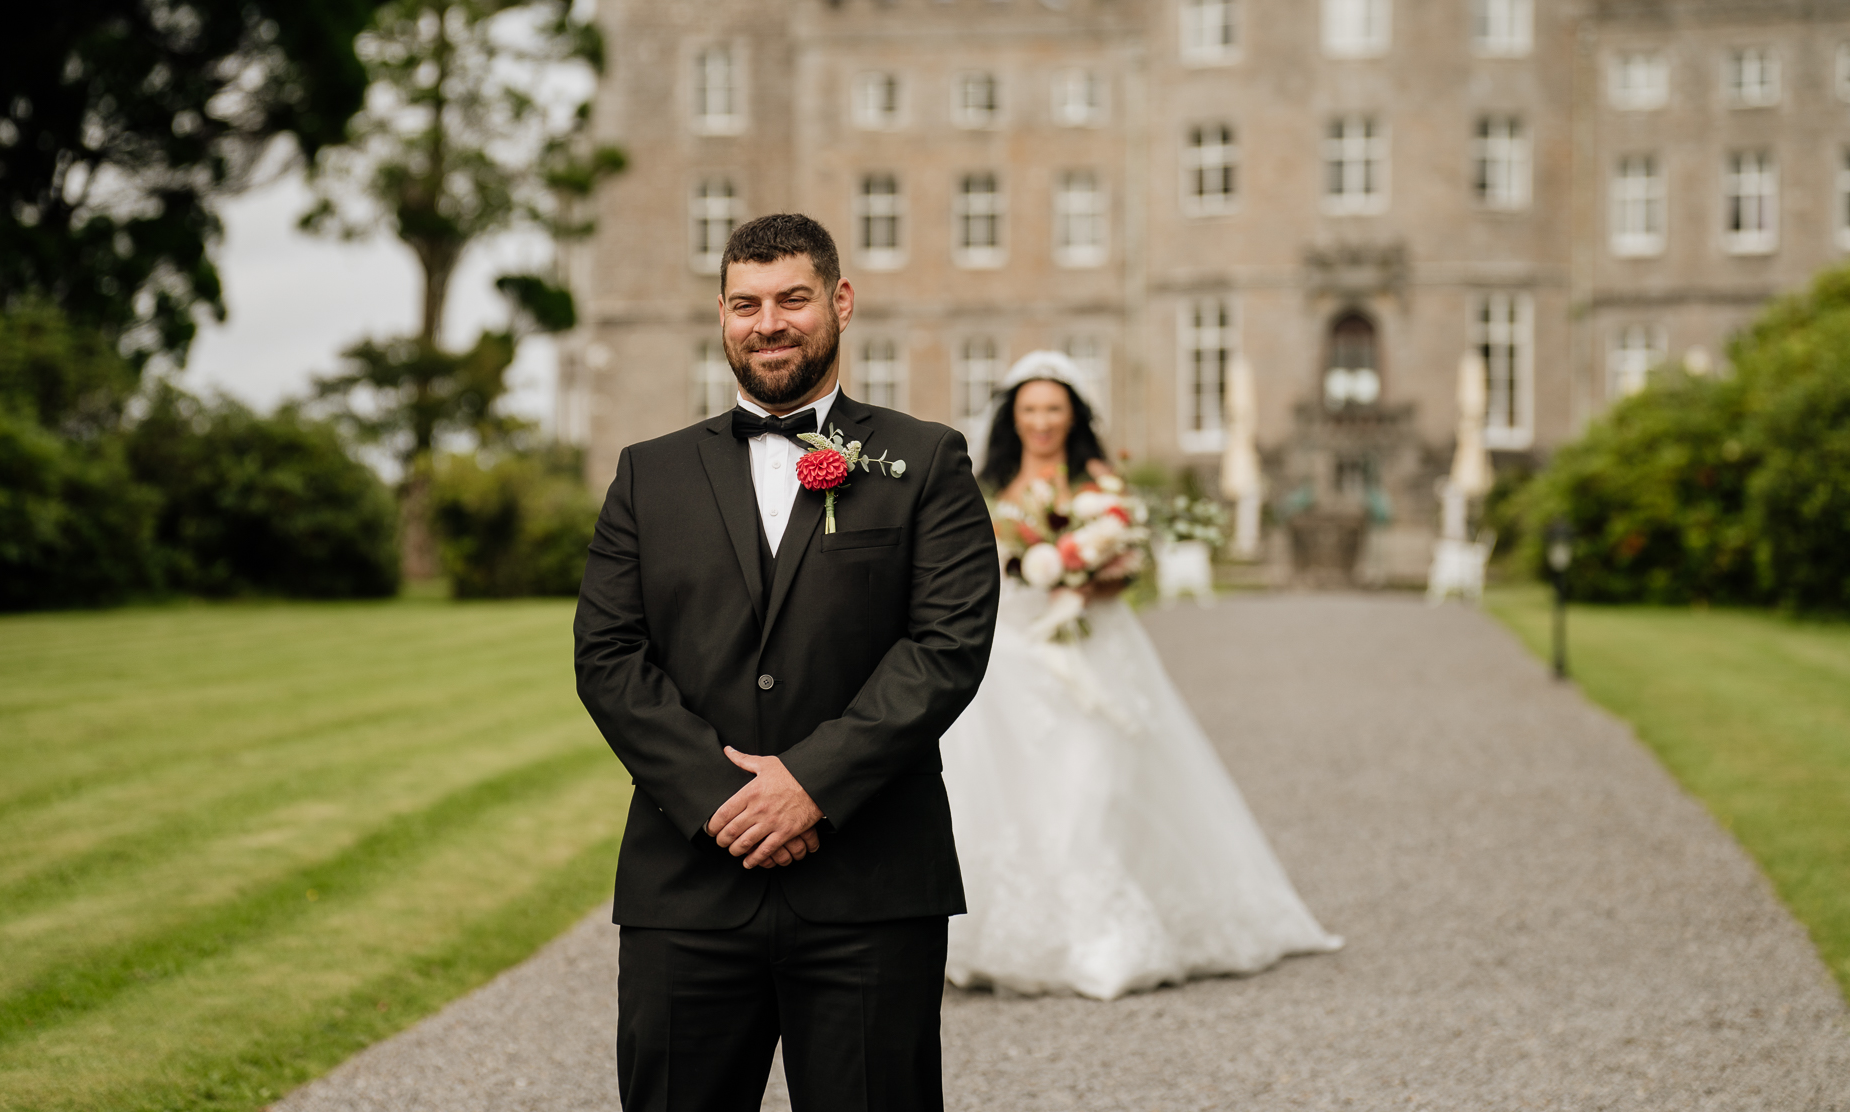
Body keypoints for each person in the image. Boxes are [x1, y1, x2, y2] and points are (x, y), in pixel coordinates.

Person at [573, 213, 1001, 1112]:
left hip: (872, 885)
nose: (768, 323)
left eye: (792, 299)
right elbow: (608, 656)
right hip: (687, 886)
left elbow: (947, 646)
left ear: (840, 302)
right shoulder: (647, 475)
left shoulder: (923, 462)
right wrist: (725, 802)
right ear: (722, 316)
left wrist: (810, 784)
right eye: (745, 304)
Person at [941, 350, 1342, 1000]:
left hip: (1092, 652)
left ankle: (1102, 939)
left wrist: (1078, 571)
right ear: (1013, 418)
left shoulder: (1101, 483)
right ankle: (1008, 937)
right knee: (1011, 793)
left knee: (1091, 787)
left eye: (1053, 409)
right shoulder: (992, 485)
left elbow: (1125, 569)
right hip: (1011, 663)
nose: (1042, 421)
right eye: (1030, 410)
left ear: (1072, 416)